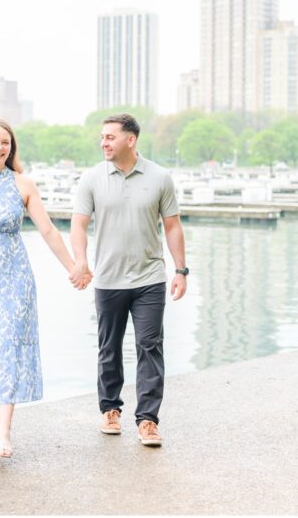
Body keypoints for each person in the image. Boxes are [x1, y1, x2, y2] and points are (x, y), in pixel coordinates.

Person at [0, 119, 90, 458]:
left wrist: (74, 268)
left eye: (6, 144)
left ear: (11, 149)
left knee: (9, 344)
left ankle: (6, 430)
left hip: (14, 278)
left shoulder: (22, 184)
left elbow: (49, 232)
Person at [69, 113, 188, 447]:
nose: (103, 142)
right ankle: (110, 410)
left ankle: (148, 420)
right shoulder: (92, 178)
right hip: (107, 279)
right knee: (109, 349)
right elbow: (78, 224)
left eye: (110, 137)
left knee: (150, 347)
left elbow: (173, 226)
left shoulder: (160, 177)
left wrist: (180, 270)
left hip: (149, 278)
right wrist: (81, 260)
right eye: (102, 137)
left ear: (130, 139)